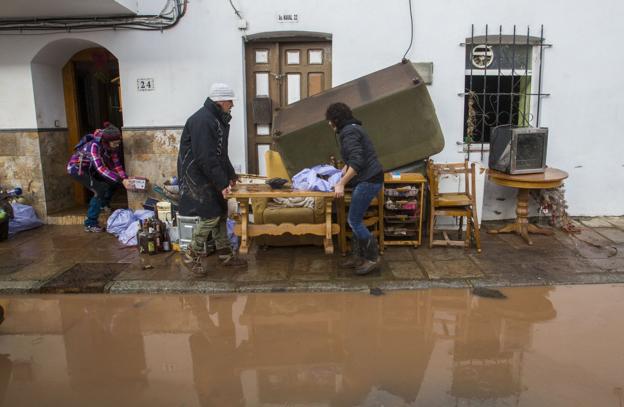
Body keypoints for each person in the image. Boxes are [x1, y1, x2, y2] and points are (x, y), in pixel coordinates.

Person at [178, 82, 246, 274]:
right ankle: (191, 253)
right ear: (221, 101)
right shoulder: (204, 120)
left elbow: (220, 153)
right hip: (198, 175)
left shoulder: (216, 119)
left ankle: (225, 255)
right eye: (230, 101)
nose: (232, 104)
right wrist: (222, 182)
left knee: (221, 213)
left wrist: (230, 175)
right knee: (211, 215)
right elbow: (206, 157)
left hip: (209, 172)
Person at [326, 102, 384, 275]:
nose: (329, 124)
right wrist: (339, 174)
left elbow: (358, 163)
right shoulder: (352, 129)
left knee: (354, 221)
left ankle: (373, 258)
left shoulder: (349, 132)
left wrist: (341, 183)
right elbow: (352, 160)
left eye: (330, 120)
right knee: (354, 219)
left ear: (336, 119)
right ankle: (358, 257)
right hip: (368, 178)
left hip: (369, 180)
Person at [67, 122, 131, 232]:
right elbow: (100, 168)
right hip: (78, 169)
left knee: (113, 182)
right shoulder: (94, 146)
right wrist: (121, 180)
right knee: (99, 189)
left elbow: (117, 166)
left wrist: (125, 178)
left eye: (118, 143)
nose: (117, 145)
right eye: (115, 143)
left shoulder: (112, 148)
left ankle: (103, 204)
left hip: (91, 169)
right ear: (106, 142)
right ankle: (90, 223)